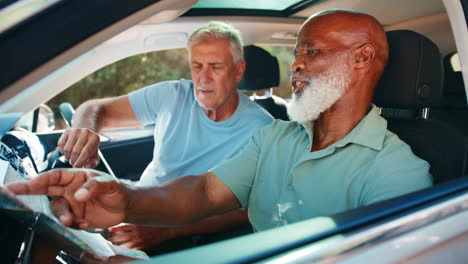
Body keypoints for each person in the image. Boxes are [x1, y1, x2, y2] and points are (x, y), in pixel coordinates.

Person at [7, 9, 432, 262]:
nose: (296, 65)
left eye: (312, 52)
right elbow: (204, 192)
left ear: (362, 59)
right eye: (297, 52)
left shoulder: (397, 172)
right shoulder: (278, 139)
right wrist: (129, 199)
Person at [54, 21, 273, 251]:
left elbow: (254, 209)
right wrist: (84, 131)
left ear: (238, 70)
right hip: (135, 206)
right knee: (55, 221)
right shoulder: (173, 95)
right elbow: (94, 109)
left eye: (216, 67)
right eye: (197, 66)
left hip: (187, 233)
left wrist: (167, 230)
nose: (204, 78)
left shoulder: (262, 129)